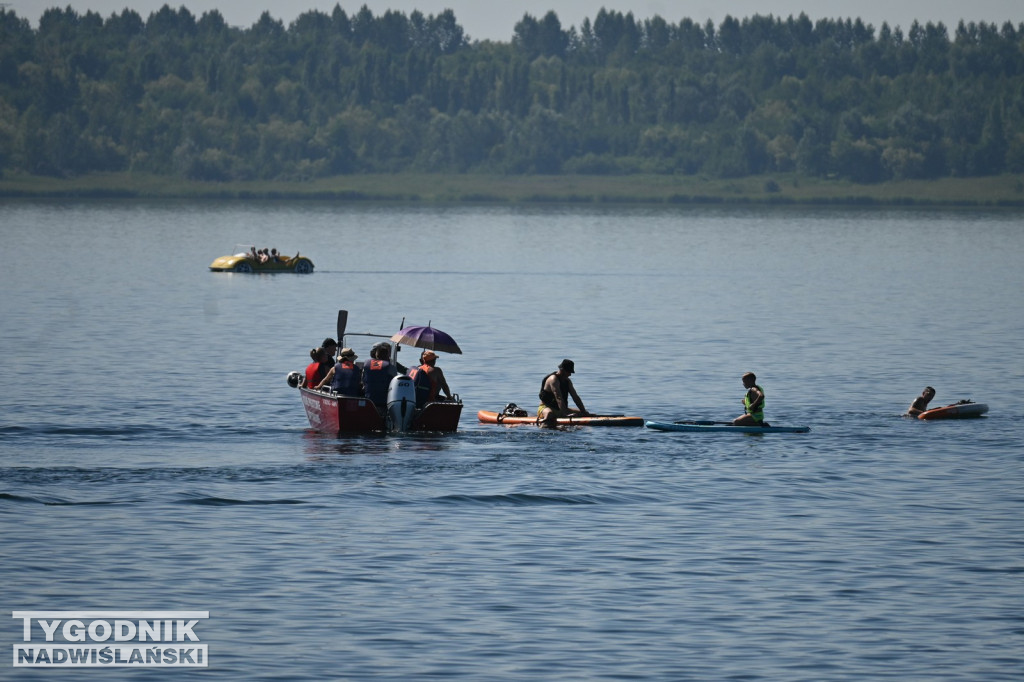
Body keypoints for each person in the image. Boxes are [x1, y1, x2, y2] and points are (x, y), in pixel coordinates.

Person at [538, 359, 589, 426]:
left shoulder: (568, 381)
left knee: (584, 413)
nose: (570, 374)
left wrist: (584, 412)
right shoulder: (553, 379)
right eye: (569, 372)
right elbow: (558, 397)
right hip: (546, 407)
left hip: (560, 409)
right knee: (549, 414)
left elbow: (575, 397)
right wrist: (565, 413)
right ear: (562, 370)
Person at [361, 342, 399, 408]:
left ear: (376, 355)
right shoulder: (390, 367)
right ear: (387, 355)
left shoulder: (366, 365)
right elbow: (395, 384)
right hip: (384, 401)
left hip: (368, 399)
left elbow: (363, 380)